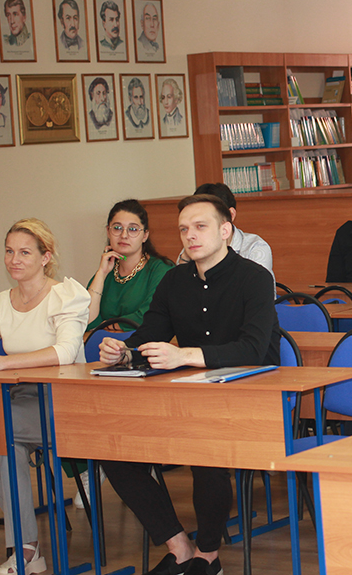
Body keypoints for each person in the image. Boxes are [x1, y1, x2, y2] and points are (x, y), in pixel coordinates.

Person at [99, 194, 280, 575]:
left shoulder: (255, 278)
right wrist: (124, 352)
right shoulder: (174, 280)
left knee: (204, 447)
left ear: (225, 230)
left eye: (200, 227)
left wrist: (184, 355)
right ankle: (179, 546)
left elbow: (252, 349)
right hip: (191, 396)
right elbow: (149, 336)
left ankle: (208, 556)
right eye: (183, 229)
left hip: (251, 394)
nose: (190, 236)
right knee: (111, 448)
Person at [0, 219, 89, 575]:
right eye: (9, 251)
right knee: (5, 445)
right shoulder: (0, 302)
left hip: (65, 399)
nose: (14, 259)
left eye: (25, 252)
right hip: (18, 401)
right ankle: (28, 550)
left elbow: (65, 352)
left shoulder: (65, 296)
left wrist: (1, 362)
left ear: (46, 257)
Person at [86, 199, 174, 331]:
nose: (124, 235)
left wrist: (111, 325)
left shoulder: (161, 269)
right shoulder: (107, 270)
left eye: (133, 229)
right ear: (108, 232)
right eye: (117, 228)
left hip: (144, 342)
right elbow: (86, 318)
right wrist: (101, 273)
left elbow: (151, 315)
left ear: (145, 236)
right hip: (104, 341)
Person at [177, 183, 273, 279]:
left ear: (231, 215)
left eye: (201, 225)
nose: (189, 235)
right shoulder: (195, 245)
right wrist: (185, 259)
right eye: (184, 229)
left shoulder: (255, 247)